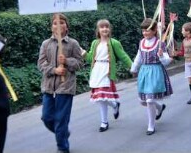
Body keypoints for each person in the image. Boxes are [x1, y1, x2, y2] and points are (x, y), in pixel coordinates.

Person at [37, 13, 83, 153]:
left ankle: (62, 147)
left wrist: (67, 61)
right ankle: (62, 133)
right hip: (49, 86)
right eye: (55, 23)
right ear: (51, 27)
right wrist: (54, 70)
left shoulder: (73, 43)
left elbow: (80, 63)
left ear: (67, 27)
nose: (58, 25)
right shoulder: (46, 44)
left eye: (62, 23)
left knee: (61, 119)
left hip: (66, 86)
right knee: (46, 117)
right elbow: (41, 63)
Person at [83, 19, 132, 132]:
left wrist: (132, 66)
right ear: (98, 30)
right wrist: (84, 54)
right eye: (102, 27)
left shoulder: (114, 42)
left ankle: (104, 122)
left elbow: (123, 56)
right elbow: (91, 58)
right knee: (101, 98)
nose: (104, 29)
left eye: (107, 27)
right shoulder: (95, 43)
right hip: (96, 71)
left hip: (107, 71)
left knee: (102, 97)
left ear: (109, 29)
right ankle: (114, 105)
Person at [131, 18, 173, 135]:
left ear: (155, 31)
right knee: (143, 101)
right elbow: (138, 57)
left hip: (156, 72)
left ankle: (151, 125)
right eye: (143, 31)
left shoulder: (160, 43)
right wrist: (134, 68)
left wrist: (161, 56)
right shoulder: (141, 42)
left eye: (148, 30)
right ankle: (159, 107)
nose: (145, 33)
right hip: (144, 72)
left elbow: (166, 62)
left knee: (149, 100)